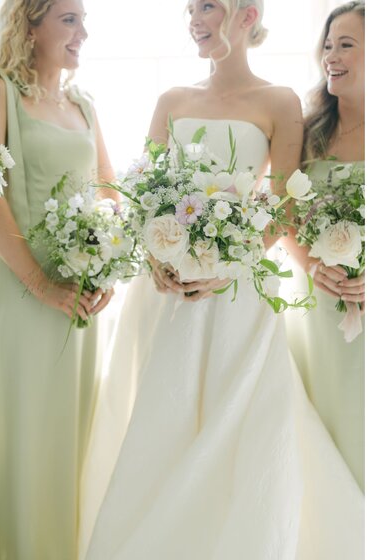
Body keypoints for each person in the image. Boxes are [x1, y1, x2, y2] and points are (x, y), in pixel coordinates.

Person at [81, 2, 363, 558]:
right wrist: (157, 257)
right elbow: (144, 190)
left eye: (206, 5)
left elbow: (282, 205)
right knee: (166, 421)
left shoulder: (280, 102)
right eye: (190, 9)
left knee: (242, 430)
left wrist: (223, 265)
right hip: (165, 293)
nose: (194, 18)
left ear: (246, 13)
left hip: (240, 294)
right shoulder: (172, 100)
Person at [0, 0, 115, 557]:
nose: (84, 31)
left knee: (70, 436)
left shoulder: (84, 102)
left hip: (82, 294)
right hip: (23, 292)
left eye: (83, 20)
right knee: (28, 435)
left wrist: (107, 259)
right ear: (29, 27)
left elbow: (109, 187)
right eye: (69, 19)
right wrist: (41, 285)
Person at [284, 0, 365, 490]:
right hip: (315, 305)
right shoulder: (309, 128)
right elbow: (283, 212)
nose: (332, 55)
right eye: (328, 45)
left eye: (347, 45)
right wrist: (314, 265)